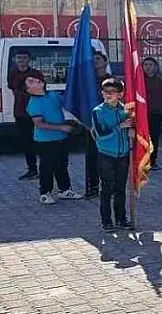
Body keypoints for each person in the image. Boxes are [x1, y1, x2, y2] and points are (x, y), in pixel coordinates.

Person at [25, 73, 81, 204]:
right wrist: (61, 127)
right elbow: (39, 124)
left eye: (36, 79)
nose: (37, 81)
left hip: (60, 138)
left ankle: (65, 190)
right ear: (28, 89)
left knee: (62, 165)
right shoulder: (34, 103)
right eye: (31, 81)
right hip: (45, 141)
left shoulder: (53, 95)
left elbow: (68, 101)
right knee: (47, 167)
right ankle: (45, 193)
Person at [91, 78, 134, 232]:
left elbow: (132, 128)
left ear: (120, 94)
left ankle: (121, 219)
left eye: (112, 92)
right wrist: (120, 126)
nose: (108, 95)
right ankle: (106, 221)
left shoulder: (126, 110)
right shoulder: (98, 111)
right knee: (107, 188)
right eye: (105, 92)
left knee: (120, 188)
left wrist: (132, 130)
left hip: (123, 154)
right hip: (106, 155)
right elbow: (100, 134)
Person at [8, 48, 44, 181]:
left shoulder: (36, 74)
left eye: (24, 58)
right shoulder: (13, 74)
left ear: (29, 59)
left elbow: (40, 90)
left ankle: (45, 168)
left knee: (41, 140)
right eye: (19, 58)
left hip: (36, 112)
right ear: (15, 60)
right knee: (27, 142)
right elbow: (13, 88)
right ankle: (32, 169)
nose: (21, 60)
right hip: (20, 112)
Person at [85, 51, 113, 195]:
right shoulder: (87, 81)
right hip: (91, 123)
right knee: (92, 156)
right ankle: (93, 186)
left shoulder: (111, 81)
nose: (95, 61)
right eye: (93, 59)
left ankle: (109, 185)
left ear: (105, 62)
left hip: (108, 123)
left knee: (108, 156)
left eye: (98, 59)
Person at [142, 57, 162, 170]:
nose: (148, 67)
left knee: (154, 137)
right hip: (143, 113)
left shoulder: (160, 81)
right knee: (143, 137)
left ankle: (153, 160)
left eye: (150, 65)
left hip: (155, 113)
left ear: (155, 67)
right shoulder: (140, 80)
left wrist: (159, 106)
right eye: (145, 64)